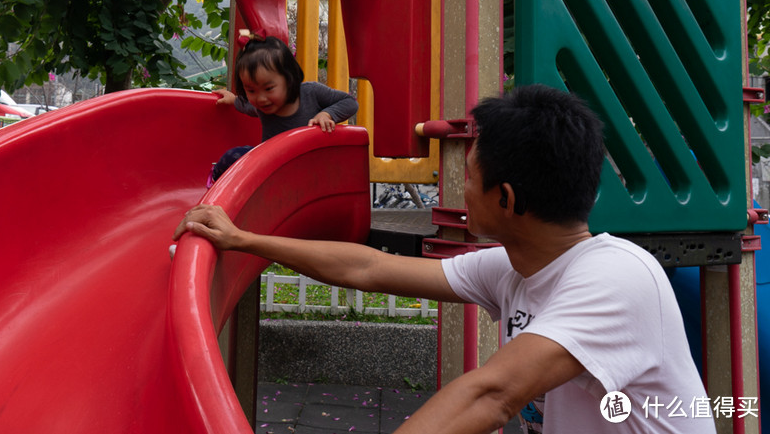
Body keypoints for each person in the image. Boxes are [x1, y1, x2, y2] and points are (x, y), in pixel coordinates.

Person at [176, 84, 712, 434]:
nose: (457, 185)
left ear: (507, 199)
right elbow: (369, 267)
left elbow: (492, 394)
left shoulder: (617, 276)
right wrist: (245, 240)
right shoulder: (515, 266)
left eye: (470, 177)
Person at [208, 33, 358, 185]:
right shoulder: (262, 106)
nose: (260, 98)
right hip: (272, 165)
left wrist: (327, 114)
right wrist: (232, 99)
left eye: (269, 88)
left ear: (288, 78)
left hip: (310, 166)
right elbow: (247, 106)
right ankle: (216, 185)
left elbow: (350, 102)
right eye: (251, 90)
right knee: (232, 157)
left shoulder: (311, 92)